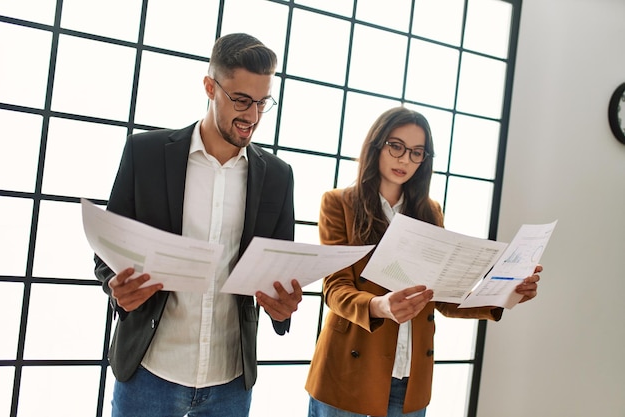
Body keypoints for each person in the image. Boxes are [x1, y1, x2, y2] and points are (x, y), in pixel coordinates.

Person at [94, 33, 303, 417]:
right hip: (149, 371)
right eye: (241, 100)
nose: (252, 117)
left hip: (230, 382)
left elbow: (279, 271)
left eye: (262, 103)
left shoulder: (278, 176)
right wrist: (116, 287)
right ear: (210, 86)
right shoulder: (147, 154)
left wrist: (283, 307)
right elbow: (108, 250)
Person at [305, 107, 541, 417]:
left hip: (409, 379)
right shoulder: (339, 203)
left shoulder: (430, 212)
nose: (405, 159)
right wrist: (380, 306)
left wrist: (508, 292)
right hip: (348, 374)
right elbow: (335, 289)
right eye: (396, 146)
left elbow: (441, 296)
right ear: (377, 144)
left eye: (416, 152)